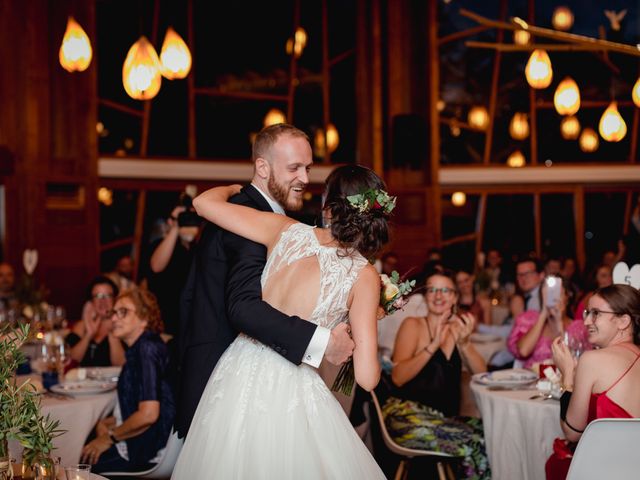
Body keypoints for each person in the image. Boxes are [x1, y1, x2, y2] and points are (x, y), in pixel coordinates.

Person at [171, 164, 390, 479]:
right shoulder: (364, 275)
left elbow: (204, 203)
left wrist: (236, 189)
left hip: (236, 371)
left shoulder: (282, 229)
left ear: (328, 207)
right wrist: (365, 321)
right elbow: (368, 378)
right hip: (292, 385)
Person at [174, 124, 355, 442]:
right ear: (262, 166)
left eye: (308, 168)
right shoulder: (247, 218)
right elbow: (243, 307)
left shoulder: (244, 211)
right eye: (294, 168)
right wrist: (322, 341)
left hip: (246, 383)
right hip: (224, 386)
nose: (304, 178)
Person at [385, 270, 490, 480]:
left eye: (445, 290)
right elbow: (397, 377)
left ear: (455, 297)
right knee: (474, 443)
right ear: (426, 296)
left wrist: (464, 344)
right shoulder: (412, 325)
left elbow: (483, 376)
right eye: (432, 290)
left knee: (491, 433)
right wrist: (433, 346)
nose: (438, 295)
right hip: (406, 417)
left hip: (442, 419)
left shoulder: (457, 330)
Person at [545, 284, 640, 480]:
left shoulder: (592, 360)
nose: (586, 320)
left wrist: (568, 375)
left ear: (623, 321)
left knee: (556, 463)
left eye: (596, 313)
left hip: (603, 469)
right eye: (587, 312)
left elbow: (572, 433)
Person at [81, 288, 175, 473]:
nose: (114, 318)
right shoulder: (140, 348)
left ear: (144, 318)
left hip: (147, 448)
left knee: (80, 466)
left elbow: (148, 415)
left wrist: (109, 438)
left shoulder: (147, 348)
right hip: (143, 441)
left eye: (123, 312)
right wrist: (105, 424)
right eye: (114, 312)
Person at [147, 195, 201, 337]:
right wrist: (176, 226)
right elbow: (156, 266)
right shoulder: (160, 245)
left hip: (192, 320)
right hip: (166, 320)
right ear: (170, 221)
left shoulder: (198, 248)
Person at [507, 277, 588, 370]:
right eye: (548, 292)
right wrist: (544, 313)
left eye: (556, 292)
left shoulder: (579, 328)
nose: (552, 296)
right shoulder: (528, 320)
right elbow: (523, 351)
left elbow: (571, 363)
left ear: (567, 296)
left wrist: (559, 323)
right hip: (533, 380)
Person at [66, 276, 126, 367]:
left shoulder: (123, 325)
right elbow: (70, 361)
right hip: (82, 380)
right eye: (97, 296)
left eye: (107, 295)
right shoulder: (81, 326)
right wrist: (88, 335)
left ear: (115, 299)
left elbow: (121, 365)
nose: (103, 301)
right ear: (91, 301)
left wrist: (112, 332)